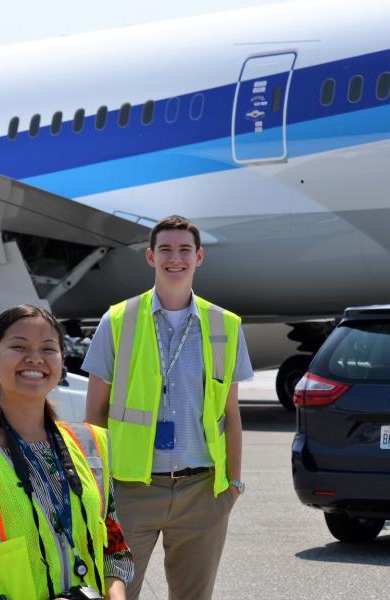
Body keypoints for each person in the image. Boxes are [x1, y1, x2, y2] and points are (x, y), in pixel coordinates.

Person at [83, 215, 253, 600]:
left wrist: (234, 485)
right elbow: (94, 414)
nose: (174, 258)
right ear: (150, 257)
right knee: (115, 594)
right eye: (165, 250)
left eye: (184, 250)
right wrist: (97, 489)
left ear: (199, 257)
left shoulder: (225, 325)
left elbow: (230, 415)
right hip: (130, 492)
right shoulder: (118, 320)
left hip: (202, 492)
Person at [0, 304, 133, 600]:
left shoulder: (91, 444)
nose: (35, 357)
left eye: (48, 349)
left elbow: (115, 549)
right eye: (19, 346)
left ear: (61, 363)